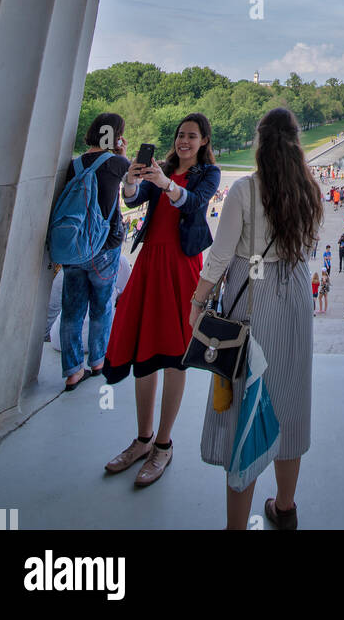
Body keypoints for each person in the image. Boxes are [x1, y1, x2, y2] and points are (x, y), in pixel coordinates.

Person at [196, 107, 322, 530]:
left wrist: (197, 304)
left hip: (254, 302)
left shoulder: (245, 191)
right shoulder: (310, 190)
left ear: (259, 142)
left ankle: (236, 525)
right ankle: (285, 509)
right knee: (288, 405)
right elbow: (307, 247)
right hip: (295, 299)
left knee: (246, 411)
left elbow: (218, 258)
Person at [102, 113, 220, 486]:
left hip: (182, 267)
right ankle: (142, 439)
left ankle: (163, 445)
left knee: (174, 356)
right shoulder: (162, 167)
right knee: (144, 352)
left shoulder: (207, 174)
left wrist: (166, 182)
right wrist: (132, 181)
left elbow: (191, 204)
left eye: (191, 136)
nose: (184, 140)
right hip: (151, 261)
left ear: (203, 141)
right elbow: (135, 202)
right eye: (180, 135)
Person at [57, 112, 129, 391]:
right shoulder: (117, 163)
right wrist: (121, 152)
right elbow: (134, 183)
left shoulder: (73, 165)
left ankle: (73, 371)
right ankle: (98, 361)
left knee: (72, 311)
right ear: (116, 134)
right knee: (101, 307)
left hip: (75, 248)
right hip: (104, 247)